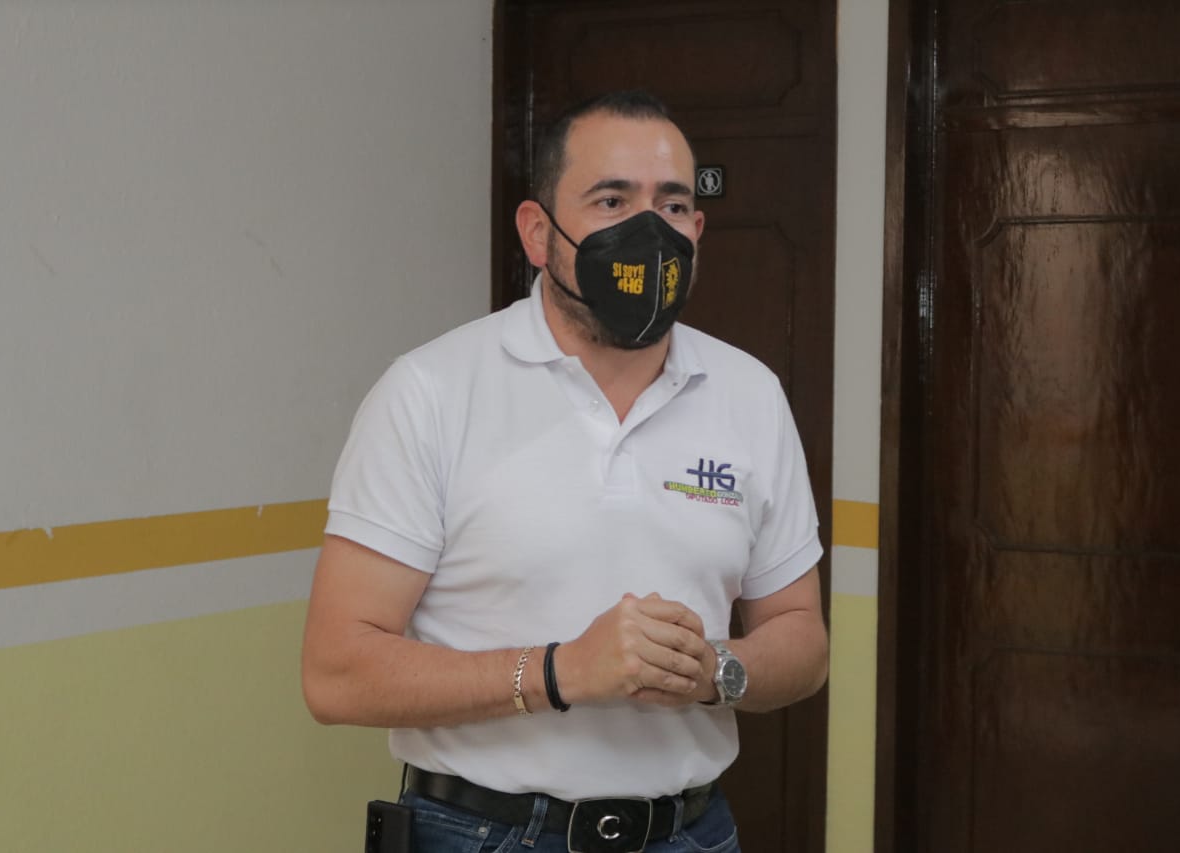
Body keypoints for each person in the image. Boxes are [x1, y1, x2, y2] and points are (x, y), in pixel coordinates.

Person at [301, 90, 828, 853]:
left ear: (697, 228)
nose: (650, 231)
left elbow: (802, 637)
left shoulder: (750, 393)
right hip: (482, 832)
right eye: (612, 200)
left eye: (673, 205)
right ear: (538, 232)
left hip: (690, 833)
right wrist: (559, 672)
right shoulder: (431, 392)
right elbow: (336, 672)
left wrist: (718, 668)